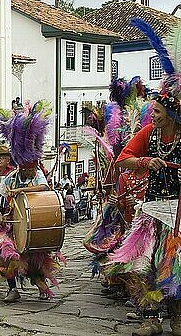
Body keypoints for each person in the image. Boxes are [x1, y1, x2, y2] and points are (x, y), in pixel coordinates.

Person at [0, 101, 65, 303]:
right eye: (26, 170)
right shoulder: (13, 176)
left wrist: (20, 190)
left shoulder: (38, 174)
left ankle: (41, 284)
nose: (29, 172)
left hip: (33, 223)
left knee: (35, 258)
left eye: (31, 169)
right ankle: (13, 289)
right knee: (7, 256)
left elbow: (43, 189)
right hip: (11, 223)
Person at [106, 94, 181, 336]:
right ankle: (150, 320)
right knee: (143, 266)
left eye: (158, 112)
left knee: (174, 265)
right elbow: (123, 160)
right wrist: (146, 161)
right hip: (152, 210)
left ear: (171, 114)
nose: (154, 116)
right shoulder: (149, 132)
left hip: (179, 211)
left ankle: (178, 318)